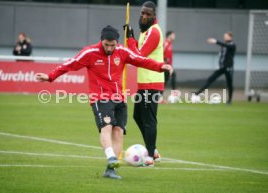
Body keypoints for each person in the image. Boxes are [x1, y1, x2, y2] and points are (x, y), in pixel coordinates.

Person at [35, 25, 172, 179]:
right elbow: (69, 64)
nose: (109, 48)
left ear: (117, 42)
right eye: (106, 45)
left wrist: (161, 66)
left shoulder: (122, 51)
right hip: (99, 97)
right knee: (106, 127)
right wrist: (50, 77)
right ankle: (111, 157)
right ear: (101, 41)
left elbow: (142, 60)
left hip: (119, 97)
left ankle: (111, 169)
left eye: (112, 45)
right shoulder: (90, 53)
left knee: (118, 131)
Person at [124, 1, 164, 166]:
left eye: (148, 14)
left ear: (154, 16)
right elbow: (135, 53)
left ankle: (149, 158)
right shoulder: (145, 31)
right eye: (142, 13)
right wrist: (131, 37)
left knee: (149, 120)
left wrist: (130, 39)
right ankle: (152, 150)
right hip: (144, 83)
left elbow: (138, 57)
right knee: (137, 116)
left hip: (152, 82)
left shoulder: (154, 32)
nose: (144, 16)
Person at [194, 32, 236, 104]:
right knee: (210, 79)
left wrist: (216, 41)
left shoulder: (232, 45)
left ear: (230, 37)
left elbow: (226, 46)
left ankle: (229, 100)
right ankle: (197, 93)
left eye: (226, 36)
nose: (224, 37)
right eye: (224, 36)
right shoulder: (224, 45)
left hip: (228, 68)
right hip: (221, 67)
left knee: (229, 84)